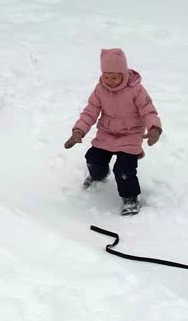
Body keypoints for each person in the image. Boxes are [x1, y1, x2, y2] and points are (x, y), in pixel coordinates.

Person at [64, 48, 163, 215]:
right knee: (93, 158)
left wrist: (154, 128)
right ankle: (99, 175)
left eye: (114, 77)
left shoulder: (136, 89)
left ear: (123, 74)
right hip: (107, 133)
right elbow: (90, 111)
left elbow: (148, 111)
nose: (109, 80)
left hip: (131, 134)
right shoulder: (100, 89)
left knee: (124, 169)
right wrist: (79, 131)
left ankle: (130, 198)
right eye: (106, 76)